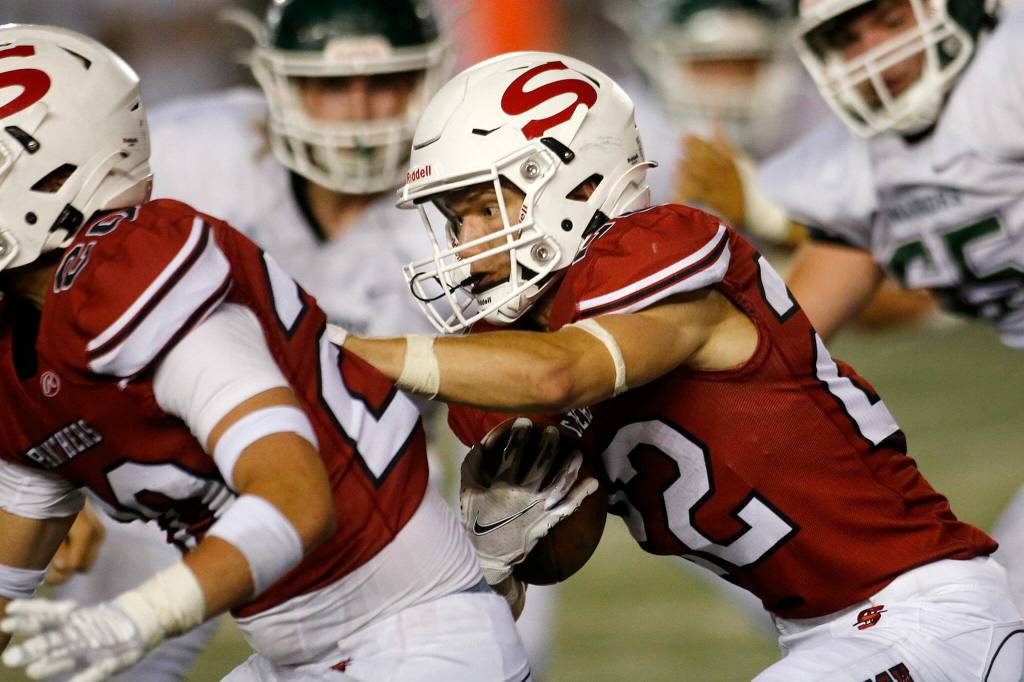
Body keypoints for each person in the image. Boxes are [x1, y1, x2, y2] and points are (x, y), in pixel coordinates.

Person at [336, 49, 1024, 679]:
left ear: (575, 183)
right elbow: (561, 546)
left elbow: (564, 373)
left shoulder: (660, 252)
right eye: (455, 220)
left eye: (487, 206)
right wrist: (510, 542)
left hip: (929, 612)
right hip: (824, 637)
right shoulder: (507, 350)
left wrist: (352, 350)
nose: (467, 244)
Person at [0, 24, 529, 682]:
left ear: (53, 175)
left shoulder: (129, 271)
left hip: (408, 633)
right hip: (301, 648)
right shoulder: (21, 337)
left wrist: (137, 616)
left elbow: (295, 497)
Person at [752, 0, 1024, 612]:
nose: (874, 49)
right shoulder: (850, 161)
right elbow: (786, 335)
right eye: (848, 36)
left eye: (893, 21)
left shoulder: (1009, 67)